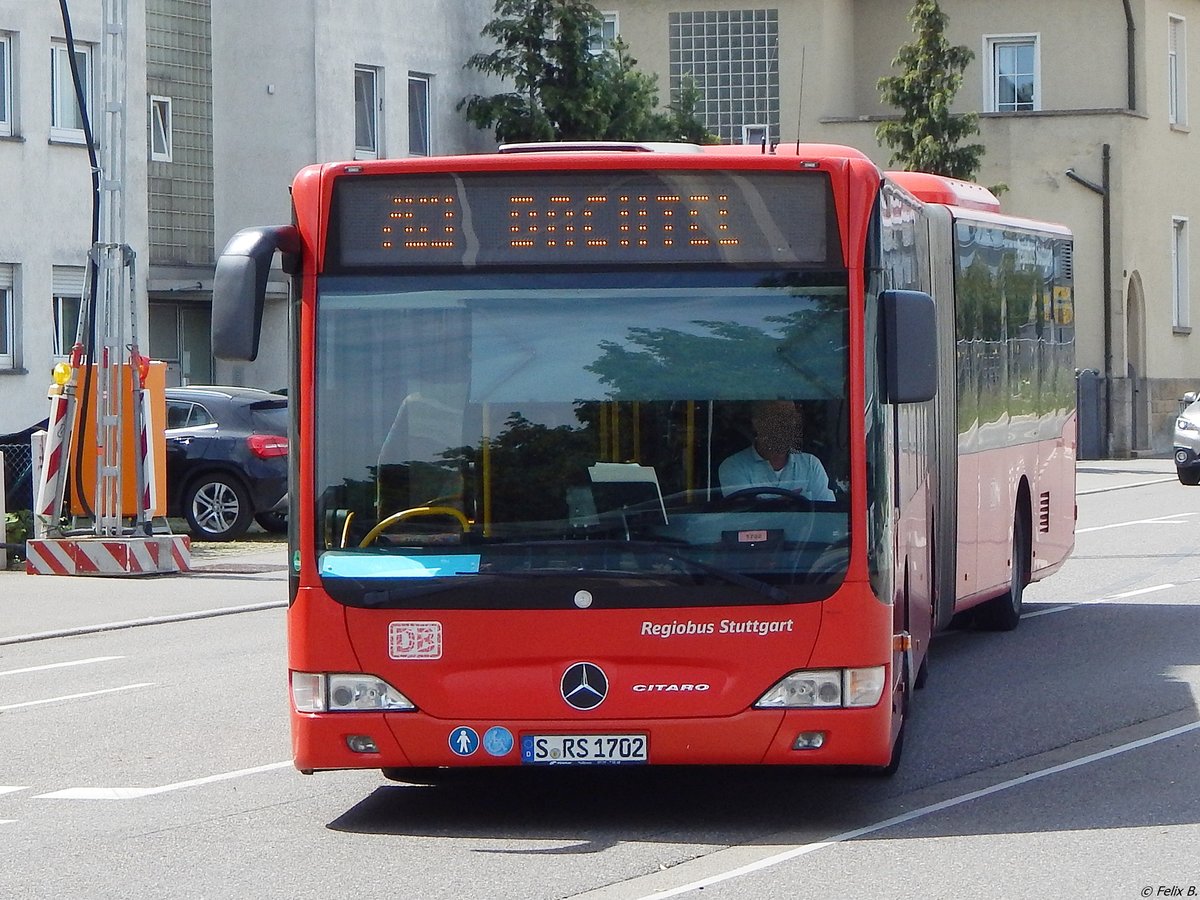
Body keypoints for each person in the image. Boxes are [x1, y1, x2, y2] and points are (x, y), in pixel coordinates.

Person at [718, 400, 834, 501]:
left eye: (792, 418)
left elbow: (827, 514)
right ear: (758, 423)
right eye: (780, 418)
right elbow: (743, 518)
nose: (789, 425)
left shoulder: (811, 465)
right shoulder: (733, 467)